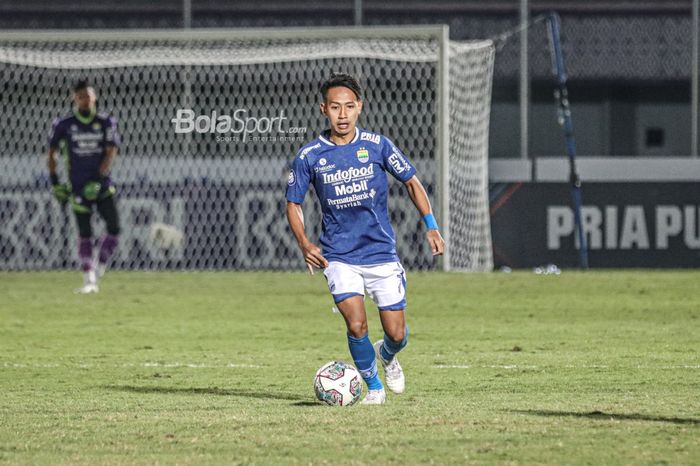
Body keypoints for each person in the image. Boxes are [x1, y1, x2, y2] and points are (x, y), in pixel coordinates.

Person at [285, 73, 445, 404]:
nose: (342, 115)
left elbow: (412, 182)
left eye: (349, 107)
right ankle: (373, 388)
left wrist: (430, 224)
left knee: (397, 334)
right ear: (323, 109)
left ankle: (387, 355)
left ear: (360, 107)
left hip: (380, 254)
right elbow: (293, 204)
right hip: (338, 255)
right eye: (334, 107)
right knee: (357, 325)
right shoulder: (309, 156)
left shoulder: (377, 146)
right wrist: (304, 243)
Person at [47, 80, 120, 293]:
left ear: (94, 97)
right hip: (78, 187)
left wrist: (98, 181)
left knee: (114, 228)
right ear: (74, 99)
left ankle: (101, 263)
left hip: (102, 184)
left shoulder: (106, 121)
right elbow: (51, 153)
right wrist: (54, 182)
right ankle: (89, 279)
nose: (85, 100)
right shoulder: (64, 124)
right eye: (80, 97)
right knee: (84, 233)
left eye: (88, 96)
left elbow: (111, 151)